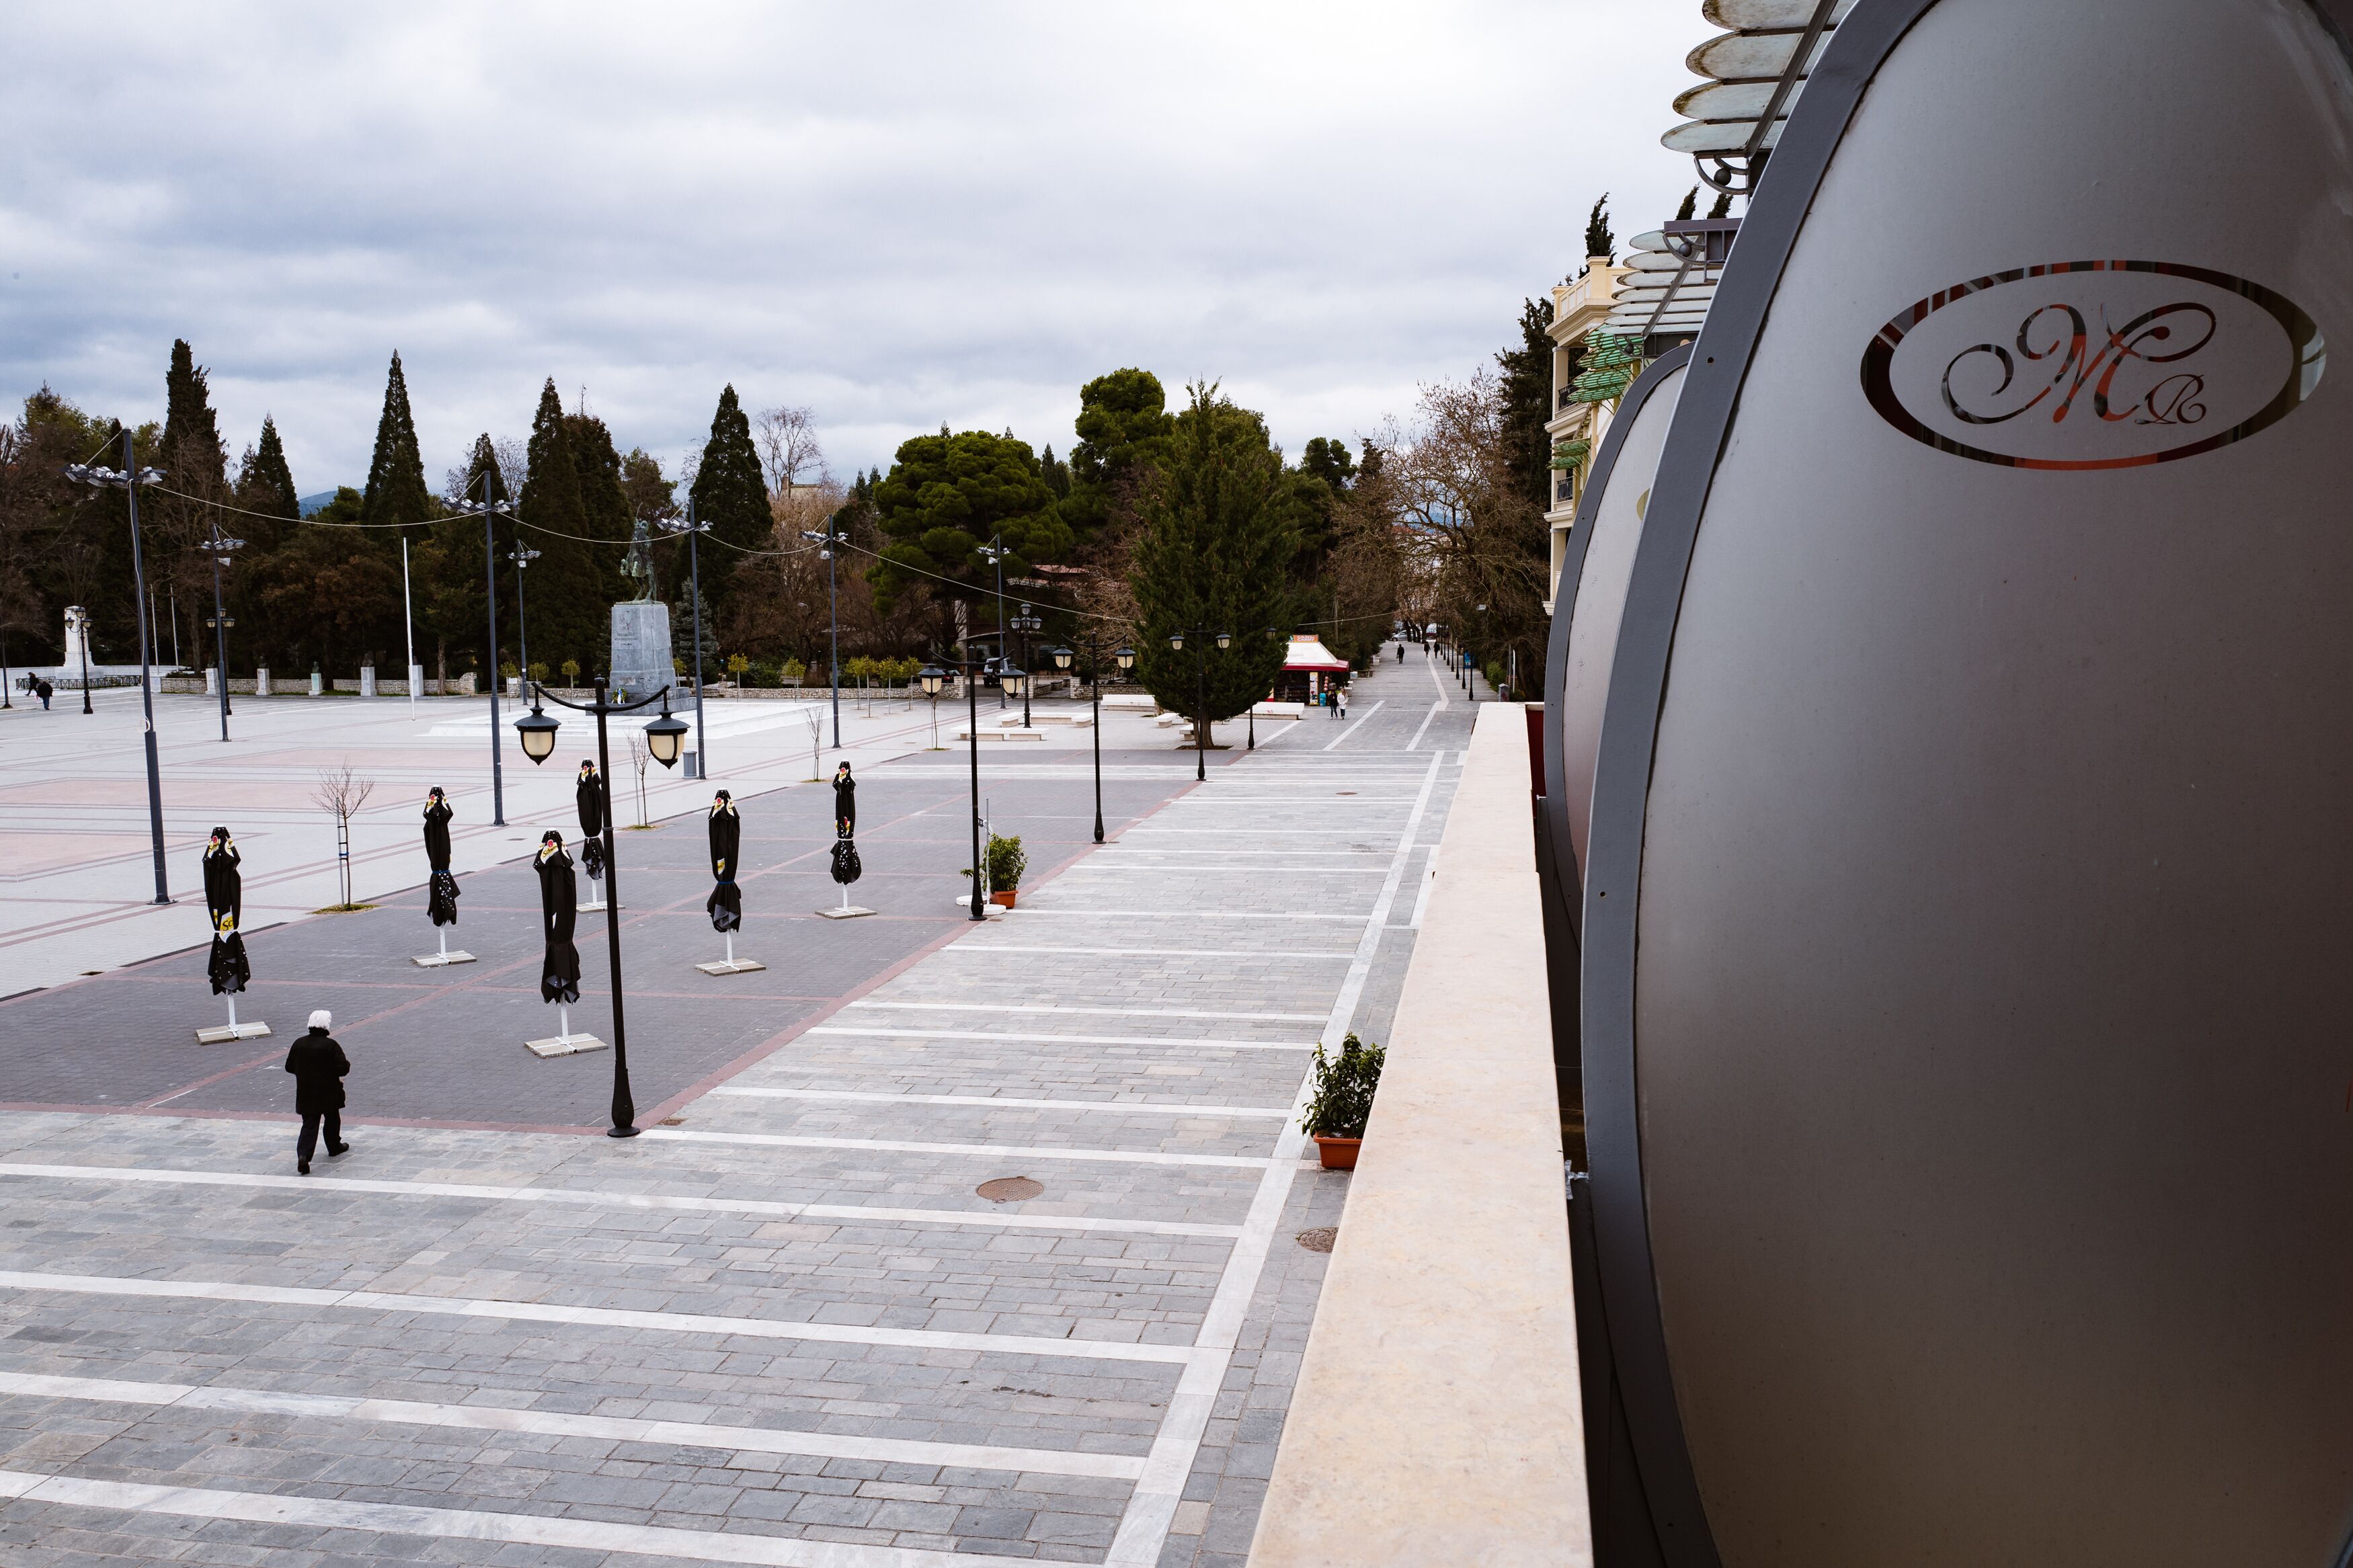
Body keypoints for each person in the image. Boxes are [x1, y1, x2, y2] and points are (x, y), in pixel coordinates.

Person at [284, 1009, 350, 1175]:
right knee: (332, 1118)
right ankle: (334, 1146)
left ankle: (304, 1155)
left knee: (310, 1123)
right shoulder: (331, 1045)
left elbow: (289, 1067)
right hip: (329, 1090)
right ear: (326, 1025)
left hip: (306, 1092)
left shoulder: (299, 1043)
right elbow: (343, 1069)